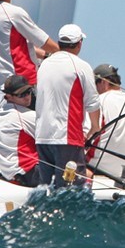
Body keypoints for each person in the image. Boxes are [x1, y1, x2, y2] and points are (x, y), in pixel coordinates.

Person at [35, 23, 100, 187]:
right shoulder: (81, 65)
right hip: (67, 138)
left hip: (42, 137)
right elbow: (92, 102)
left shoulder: (44, 64)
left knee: (46, 188)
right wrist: (95, 127)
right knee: (72, 190)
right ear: (79, 44)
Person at [0, 74, 41, 187]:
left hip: (11, 174)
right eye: (22, 94)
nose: (27, 97)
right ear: (8, 97)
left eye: (29, 91)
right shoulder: (25, 116)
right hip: (29, 174)